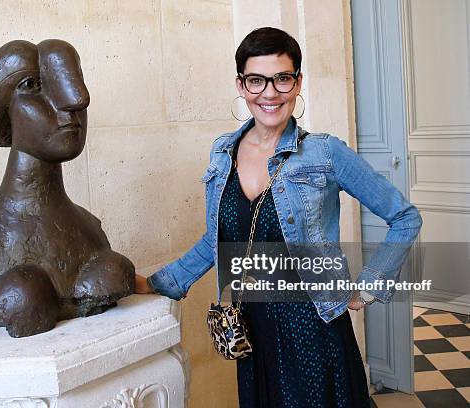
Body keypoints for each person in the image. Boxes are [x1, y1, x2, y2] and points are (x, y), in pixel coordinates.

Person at [135, 27, 422, 407]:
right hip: (251, 330)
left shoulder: (324, 153)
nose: (270, 93)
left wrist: (370, 284)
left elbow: (404, 217)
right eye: (257, 80)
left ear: (297, 82)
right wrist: (158, 283)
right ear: (241, 85)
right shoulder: (223, 153)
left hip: (314, 328)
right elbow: (215, 240)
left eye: (282, 79)